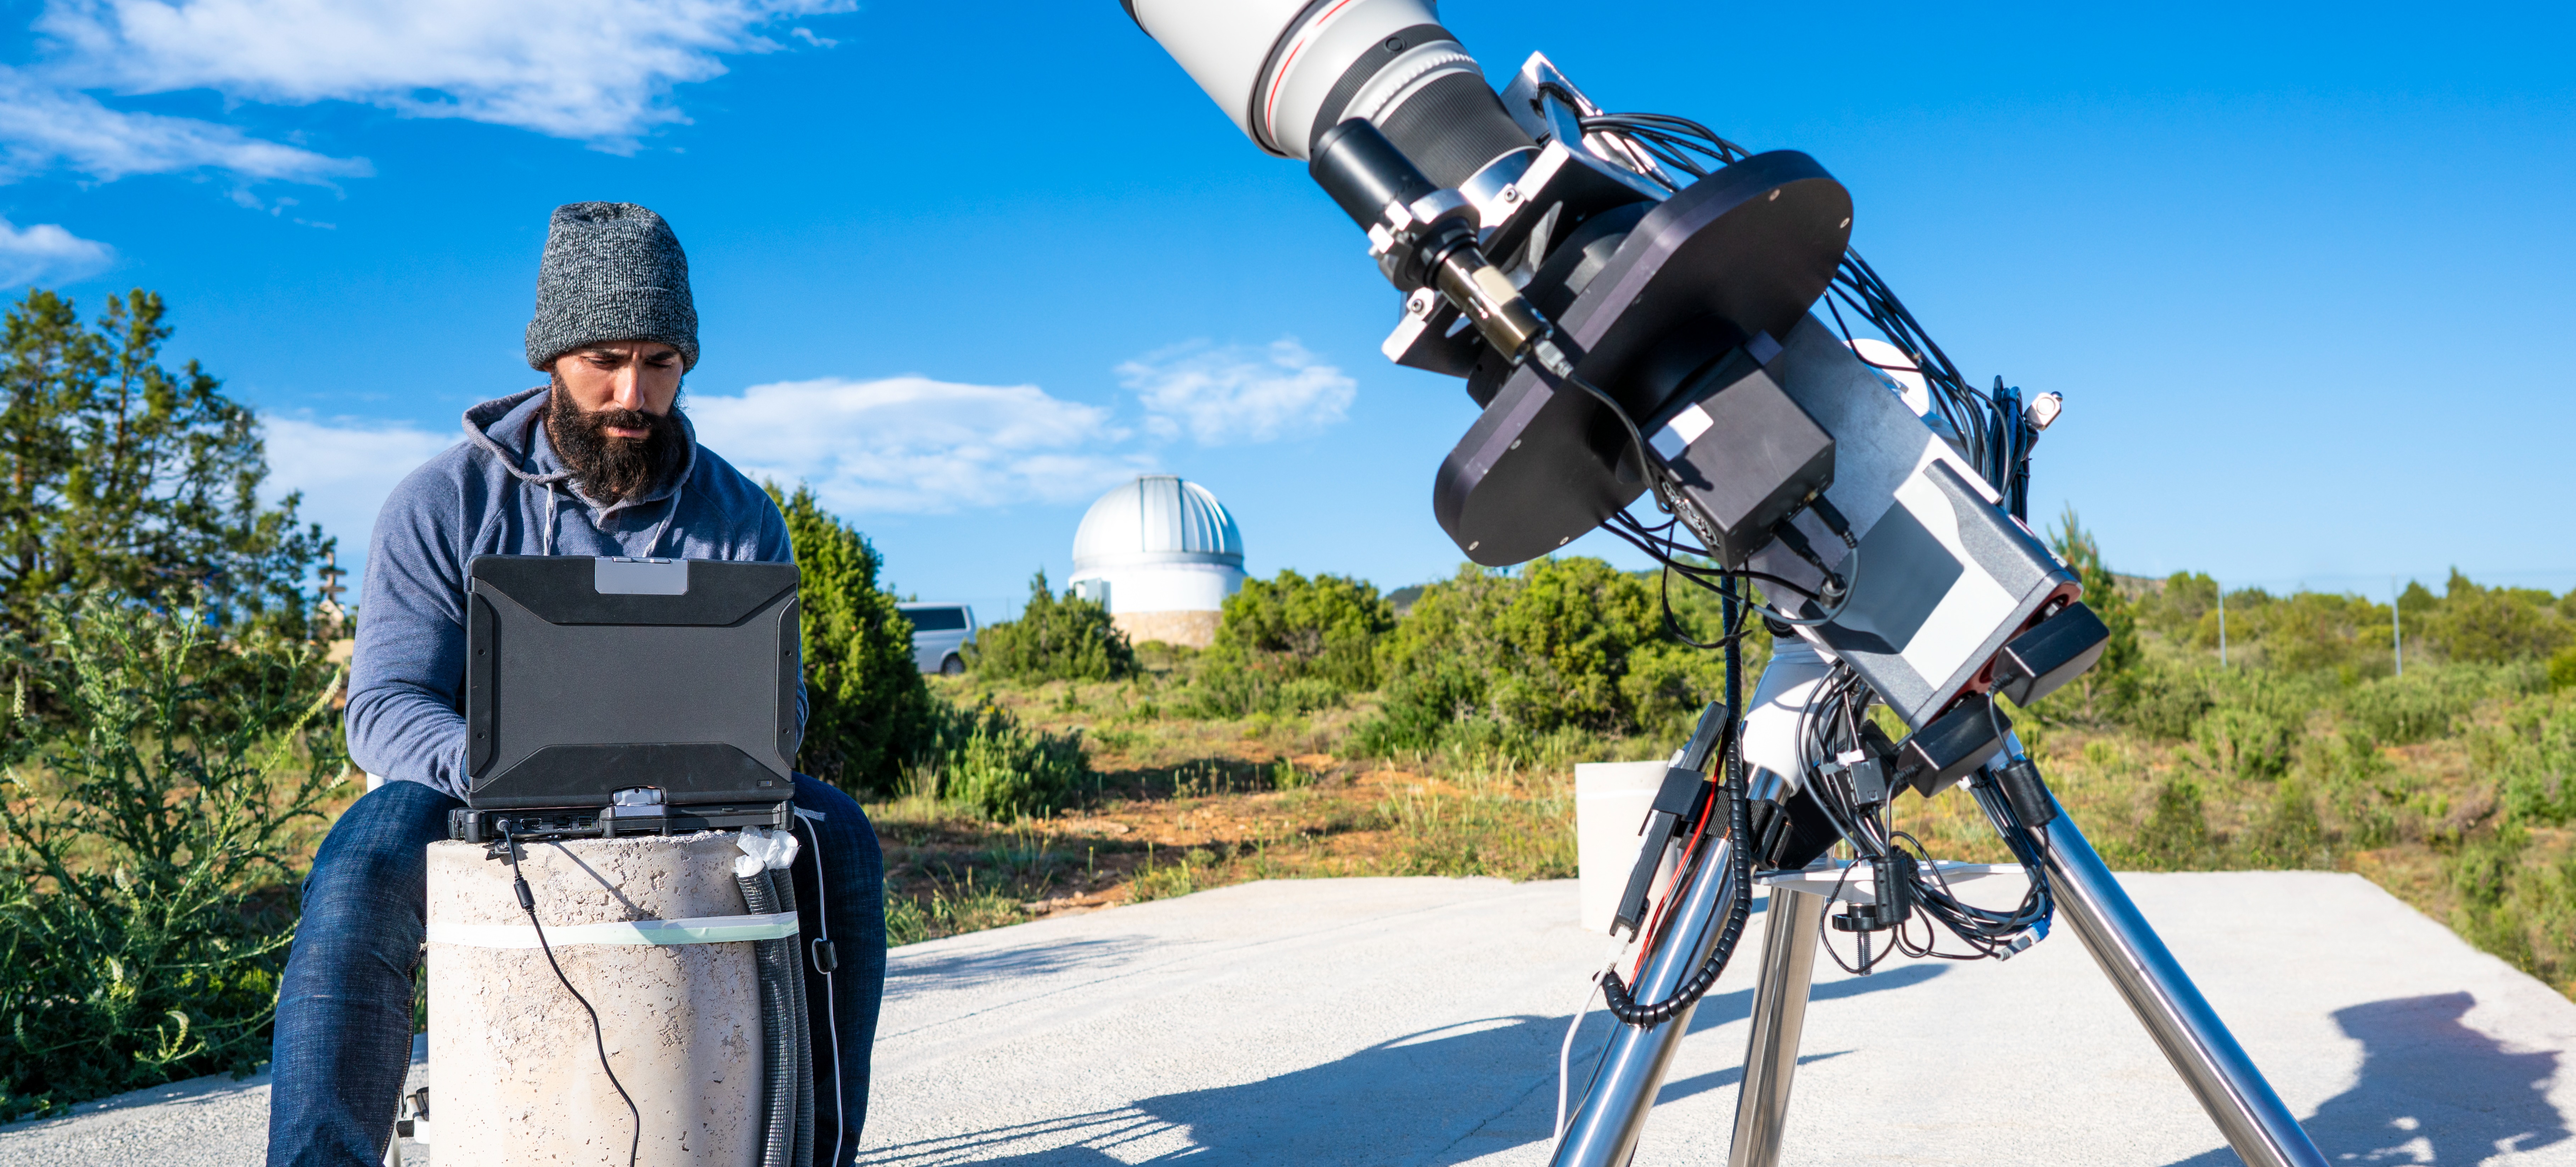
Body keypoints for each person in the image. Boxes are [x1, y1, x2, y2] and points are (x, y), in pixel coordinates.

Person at [267, 202, 886, 1166]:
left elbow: (780, 713)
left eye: (660, 362)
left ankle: (815, 1155)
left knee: (836, 832)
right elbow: (385, 708)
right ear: (550, 358)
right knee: (365, 853)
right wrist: (497, 764)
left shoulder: (740, 515)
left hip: (690, 795)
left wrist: (721, 758)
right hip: (477, 789)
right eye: (604, 358)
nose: (631, 391)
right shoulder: (442, 501)